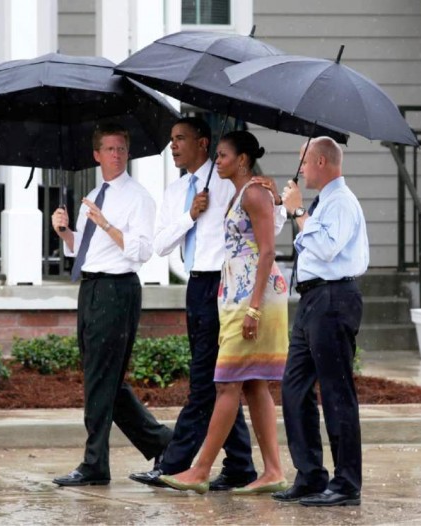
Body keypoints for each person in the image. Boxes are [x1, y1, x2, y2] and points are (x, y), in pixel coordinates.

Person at [158, 130, 289, 495]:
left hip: (253, 298)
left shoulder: (255, 193)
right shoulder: (239, 192)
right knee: (252, 383)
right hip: (235, 296)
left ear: (243, 159)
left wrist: (255, 309)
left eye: (224, 156)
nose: (218, 161)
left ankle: (199, 470)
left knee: (227, 382)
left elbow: (266, 252)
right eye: (216, 155)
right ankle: (274, 471)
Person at [50, 123, 173, 487]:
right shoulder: (94, 193)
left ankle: (94, 463)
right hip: (89, 288)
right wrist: (65, 233)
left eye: (122, 149)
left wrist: (104, 223)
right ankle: (162, 442)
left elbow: (140, 250)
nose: (117, 155)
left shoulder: (138, 197)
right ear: (96, 155)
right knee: (104, 381)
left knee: (101, 380)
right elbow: (83, 251)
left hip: (117, 290)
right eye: (110, 149)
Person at [272, 136, 369, 507]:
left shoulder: (342, 202)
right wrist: (290, 209)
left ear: (323, 163)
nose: (301, 170)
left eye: (304, 162)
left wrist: (298, 213)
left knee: (336, 392)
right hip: (312, 299)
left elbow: (328, 248)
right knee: (294, 388)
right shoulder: (323, 201)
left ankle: (346, 484)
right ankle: (311, 475)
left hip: (334, 298)